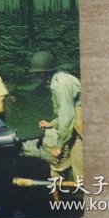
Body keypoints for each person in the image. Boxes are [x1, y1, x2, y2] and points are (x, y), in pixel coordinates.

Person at [29, 51, 83, 182]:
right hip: (77, 128)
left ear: (43, 72)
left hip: (80, 134)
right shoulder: (62, 78)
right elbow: (70, 111)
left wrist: (59, 146)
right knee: (58, 168)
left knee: (80, 175)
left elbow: (67, 119)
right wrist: (52, 124)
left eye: (38, 73)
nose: (37, 75)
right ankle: (59, 191)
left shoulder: (60, 86)